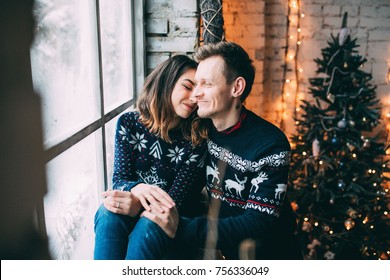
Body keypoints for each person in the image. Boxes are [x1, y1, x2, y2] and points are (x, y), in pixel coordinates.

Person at [127, 41, 302, 260]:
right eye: (195, 84)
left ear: (236, 88)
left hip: (271, 256)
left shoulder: (270, 144)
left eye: (206, 84)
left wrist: (181, 228)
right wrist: (135, 188)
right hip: (227, 254)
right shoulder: (199, 129)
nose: (195, 94)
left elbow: (259, 221)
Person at [93, 55, 209, 260]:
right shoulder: (129, 123)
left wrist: (136, 200)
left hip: (172, 218)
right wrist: (137, 189)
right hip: (140, 207)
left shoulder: (197, 137)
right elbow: (120, 180)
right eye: (187, 86)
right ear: (167, 81)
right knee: (107, 212)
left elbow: (174, 202)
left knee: (151, 221)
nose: (193, 98)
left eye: (197, 91)